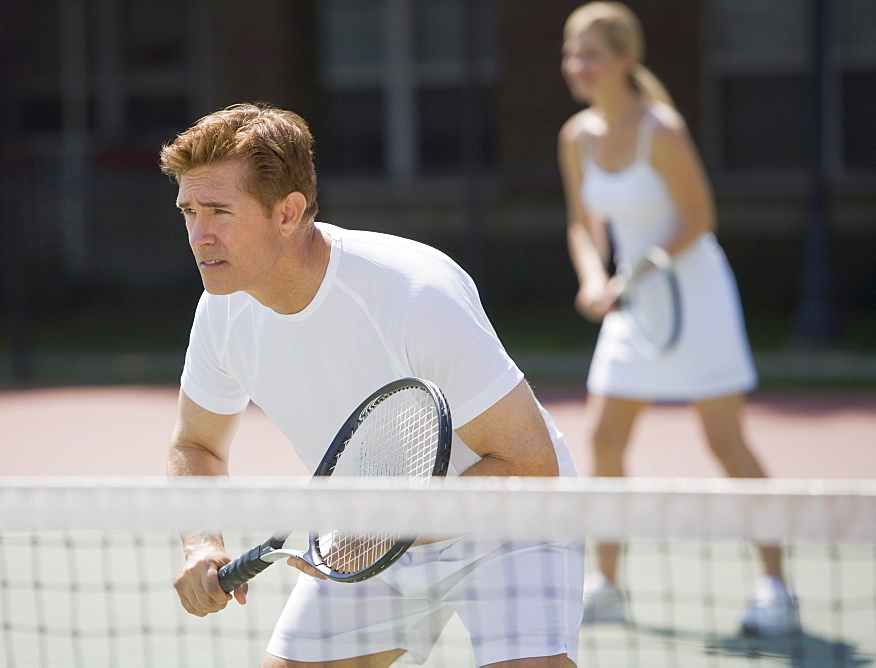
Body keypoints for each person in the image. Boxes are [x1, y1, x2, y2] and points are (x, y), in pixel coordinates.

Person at [160, 103, 584, 667]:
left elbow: (530, 464)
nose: (198, 235)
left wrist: (379, 529)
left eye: (219, 211)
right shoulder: (222, 310)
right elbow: (197, 444)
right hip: (365, 532)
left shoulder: (414, 294)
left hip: (505, 526)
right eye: (188, 211)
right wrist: (202, 542)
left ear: (288, 213)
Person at [556, 2, 798, 637]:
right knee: (605, 436)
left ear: (626, 59)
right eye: (570, 54)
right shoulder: (575, 135)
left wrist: (644, 267)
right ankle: (606, 582)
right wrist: (592, 280)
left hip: (695, 296)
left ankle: (777, 587)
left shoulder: (661, 129)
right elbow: (584, 225)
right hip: (633, 304)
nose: (576, 66)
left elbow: (698, 216)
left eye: (590, 54)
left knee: (724, 441)